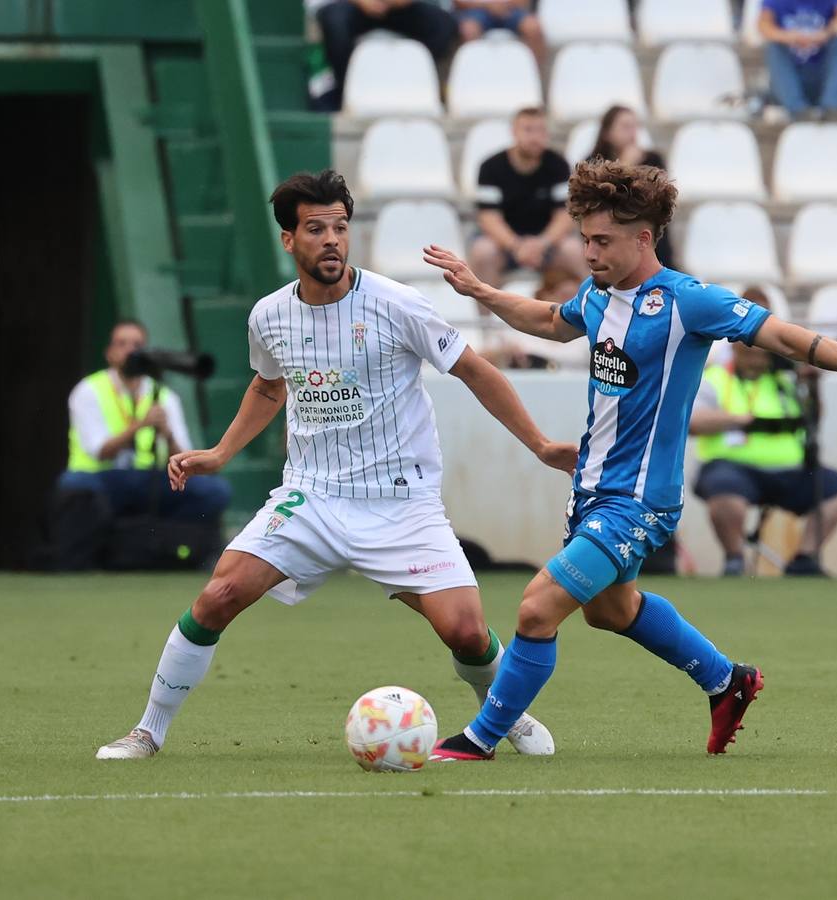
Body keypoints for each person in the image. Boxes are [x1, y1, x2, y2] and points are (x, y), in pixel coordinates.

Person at [421, 160, 837, 761]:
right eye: (585, 239)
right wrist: (480, 290)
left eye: (603, 241)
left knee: (538, 607)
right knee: (611, 611)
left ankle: (481, 738)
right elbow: (548, 319)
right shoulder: (598, 296)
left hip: (640, 499)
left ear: (644, 238)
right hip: (591, 486)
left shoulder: (686, 300)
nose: (588, 252)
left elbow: (781, 334)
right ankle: (728, 681)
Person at [96, 170, 576, 760]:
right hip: (312, 496)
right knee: (219, 594)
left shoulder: (398, 303)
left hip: (401, 501)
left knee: (466, 632)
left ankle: (507, 712)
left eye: (340, 228)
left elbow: (475, 370)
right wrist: (220, 453)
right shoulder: (269, 316)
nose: (331, 240)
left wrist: (540, 445)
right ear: (289, 240)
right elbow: (269, 386)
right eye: (315, 228)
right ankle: (148, 729)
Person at [690, 291, 837, 577]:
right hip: (732, 466)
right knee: (724, 488)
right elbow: (692, 422)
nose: (756, 351)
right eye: (749, 345)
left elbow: (811, 419)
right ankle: (734, 559)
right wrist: (742, 420)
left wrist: (811, 385)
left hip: (788, 470)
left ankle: (805, 558)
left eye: (760, 346)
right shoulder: (715, 377)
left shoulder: (785, 377)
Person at [61, 320, 231, 526]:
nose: (130, 351)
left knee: (214, 491)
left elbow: (184, 460)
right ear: (109, 353)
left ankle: (167, 545)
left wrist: (167, 434)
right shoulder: (89, 390)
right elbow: (99, 451)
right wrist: (140, 425)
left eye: (137, 345)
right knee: (74, 484)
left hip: (147, 478)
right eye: (121, 344)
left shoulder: (166, 397)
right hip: (102, 477)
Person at [469, 106, 585, 290]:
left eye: (541, 130)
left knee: (574, 250)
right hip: (504, 244)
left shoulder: (558, 165)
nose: (535, 137)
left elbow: (565, 214)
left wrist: (541, 243)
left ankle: (590, 312)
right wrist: (516, 246)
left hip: (547, 242)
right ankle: (486, 317)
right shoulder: (491, 167)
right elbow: (488, 217)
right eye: (528, 129)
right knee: (483, 252)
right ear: (514, 132)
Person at [306, 0, 458, 111]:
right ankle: (342, 90)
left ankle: (412, 82)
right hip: (350, 5)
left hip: (398, 8)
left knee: (443, 24)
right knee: (335, 22)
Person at [585, 105, 675, 269]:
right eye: (625, 127)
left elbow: (659, 200)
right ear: (608, 132)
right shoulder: (592, 163)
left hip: (642, 226)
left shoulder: (652, 159)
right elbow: (598, 202)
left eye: (635, 127)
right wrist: (626, 166)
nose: (632, 133)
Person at [759, 0, 837, 120]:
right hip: (790, 80)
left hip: (821, 77)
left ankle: (832, 108)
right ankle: (798, 110)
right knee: (774, 47)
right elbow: (763, 25)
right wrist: (789, 37)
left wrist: (826, 34)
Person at [453, 1, 546, 64]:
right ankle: (470, 77)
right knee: (468, 30)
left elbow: (524, 2)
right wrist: (487, 5)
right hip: (477, 10)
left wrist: (504, 4)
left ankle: (534, 78)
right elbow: (458, 2)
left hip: (510, 9)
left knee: (533, 27)